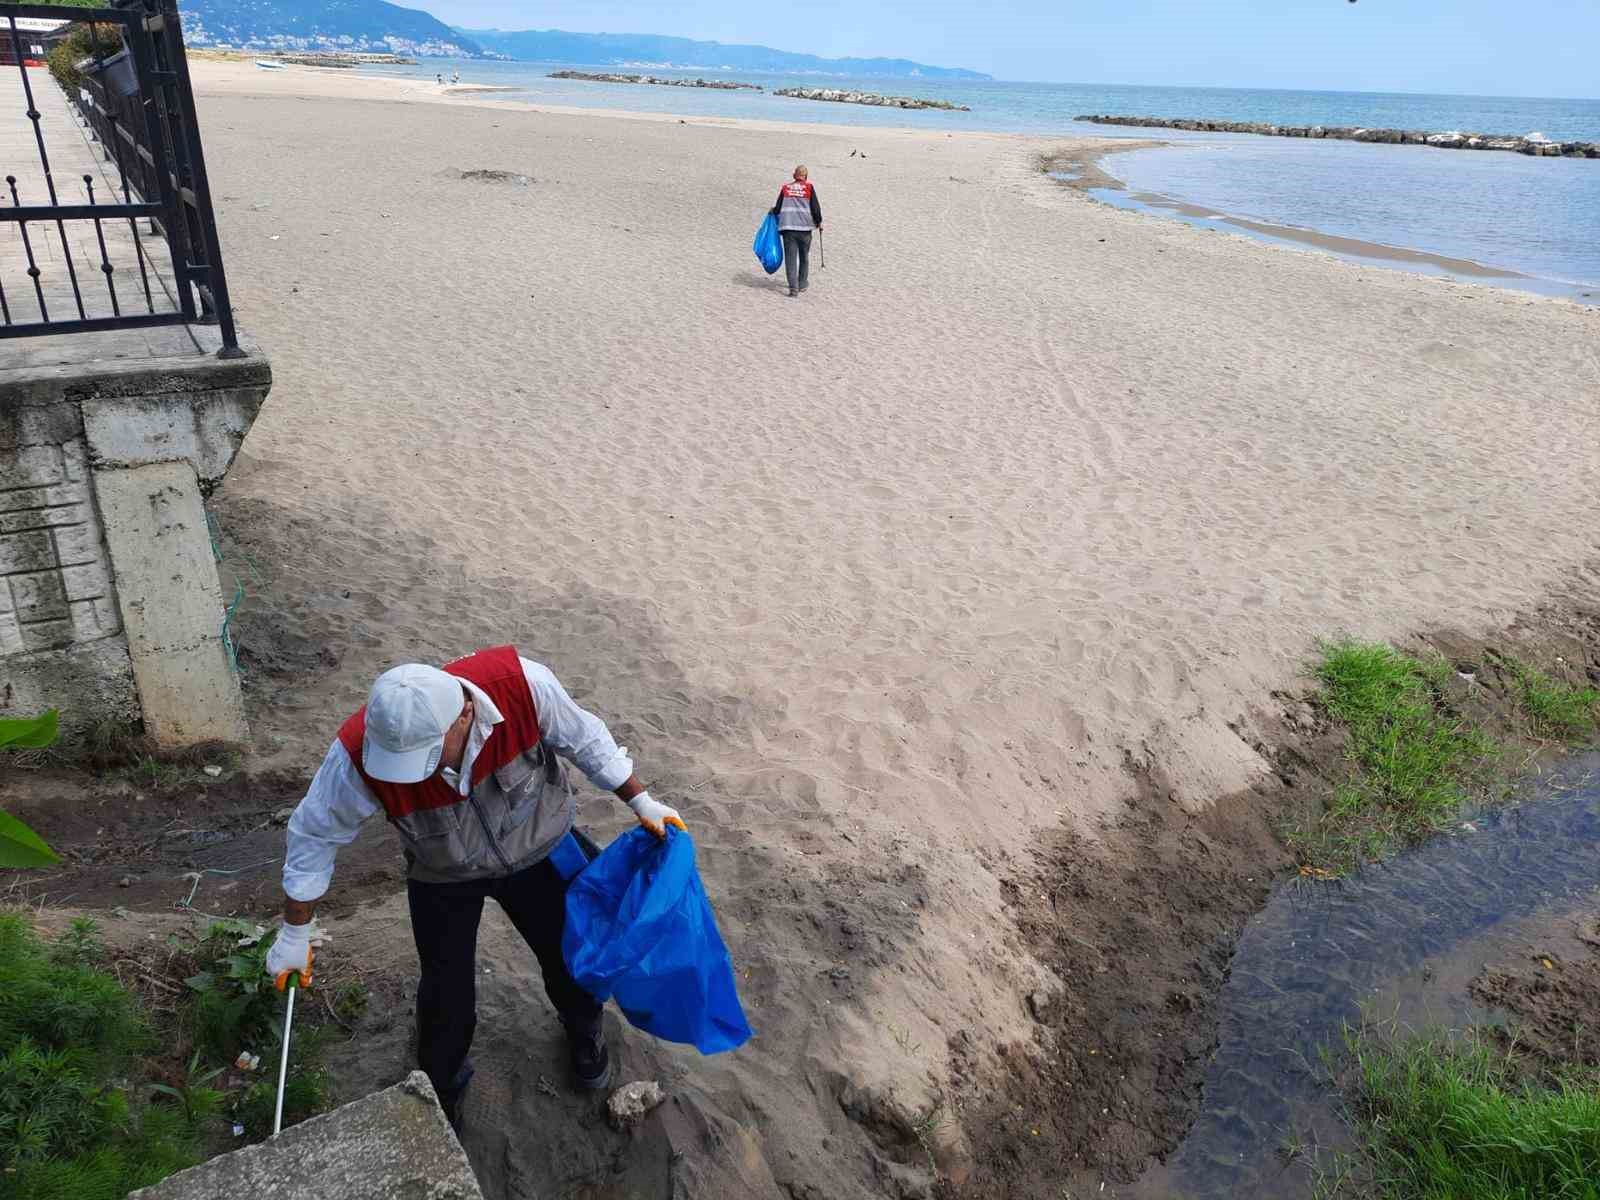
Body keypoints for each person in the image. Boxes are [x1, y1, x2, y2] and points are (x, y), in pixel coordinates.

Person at [263, 644, 685, 1131]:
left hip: (538, 847)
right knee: (446, 995)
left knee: (571, 959)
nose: (405, 771)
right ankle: (441, 1086)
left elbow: (585, 738)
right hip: (442, 870)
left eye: (421, 754)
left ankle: (584, 1029)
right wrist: (296, 931)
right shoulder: (358, 751)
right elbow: (315, 833)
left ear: (465, 715)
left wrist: (641, 800)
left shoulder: (521, 686)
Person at [771, 164, 823, 298]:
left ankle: (793, 289)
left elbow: (778, 207)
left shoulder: (786, 188)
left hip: (788, 228)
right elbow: (815, 208)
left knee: (791, 259)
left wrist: (773, 211)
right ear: (806, 176)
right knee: (804, 256)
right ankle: (802, 283)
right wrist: (819, 222)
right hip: (805, 229)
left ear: (794, 175)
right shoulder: (809, 188)